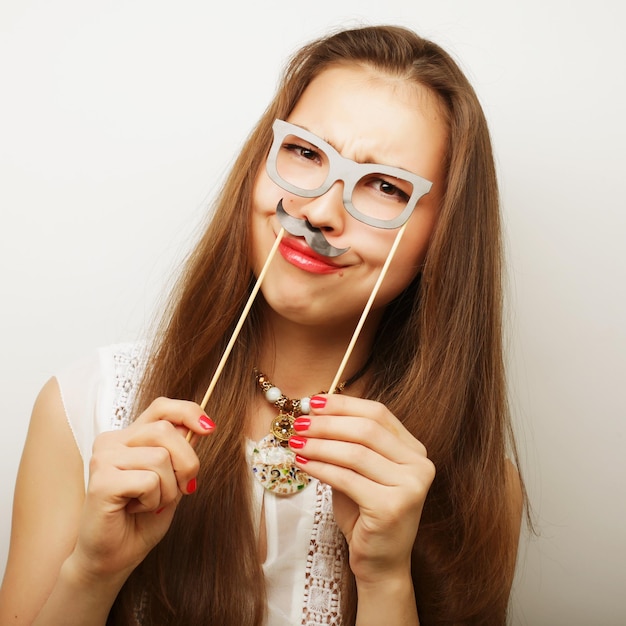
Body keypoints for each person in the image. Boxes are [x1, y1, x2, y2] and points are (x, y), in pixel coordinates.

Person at [0, 24, 525, 625]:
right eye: (304, 152)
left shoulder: (479, 486)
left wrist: (384, 579)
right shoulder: (87, 406)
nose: (320, 212)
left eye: (384, 187)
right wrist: (91, 571)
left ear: (443, 237)